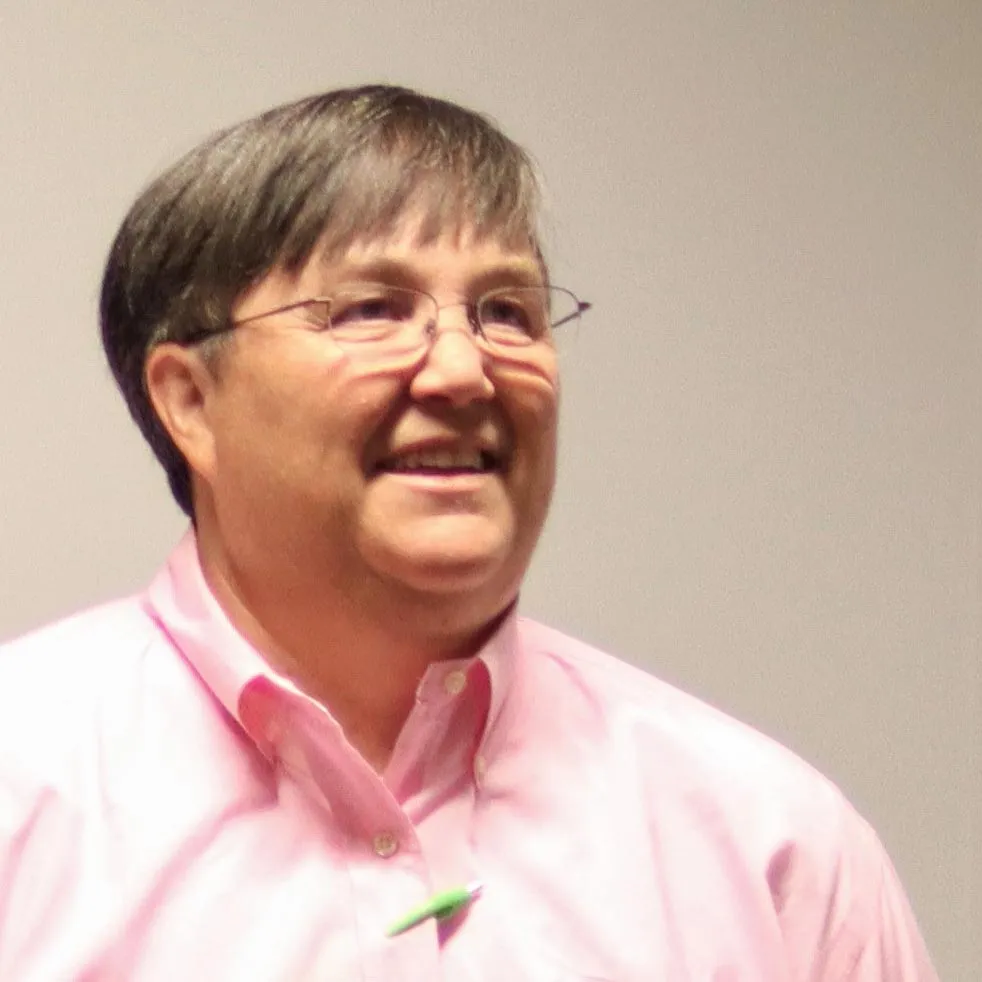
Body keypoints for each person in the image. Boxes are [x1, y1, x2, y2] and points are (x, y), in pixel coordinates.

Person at [0, 85, 937, 980]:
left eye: (506, 312)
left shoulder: (776, 848)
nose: (462, 369)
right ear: (190, 402)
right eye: (372, 309)